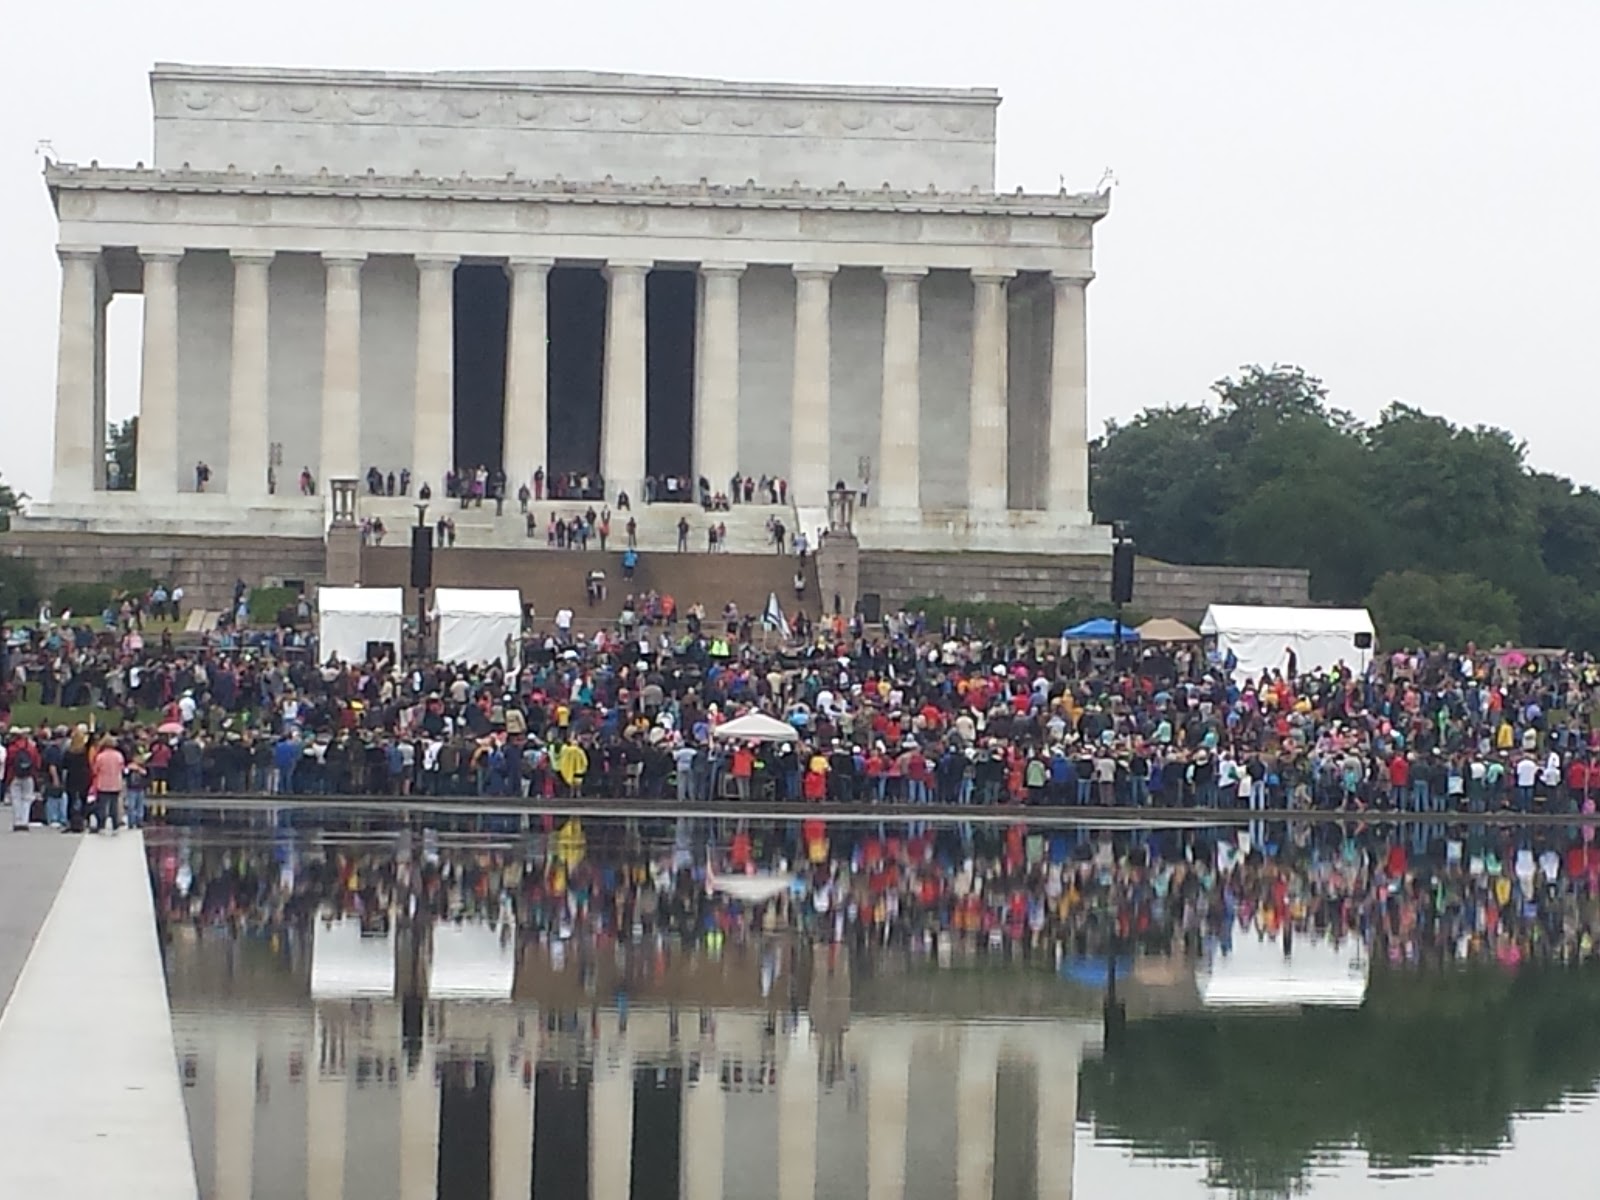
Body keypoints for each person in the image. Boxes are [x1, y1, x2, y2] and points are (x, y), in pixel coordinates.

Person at [90, 735, 125, 834]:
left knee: (102, 806)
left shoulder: (100, 756)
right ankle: (115, 826)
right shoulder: (119, 755)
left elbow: (95, 770)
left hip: (103, 784)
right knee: (114, 806)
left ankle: (101, 826)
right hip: (115, 783)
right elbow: (122, 768)